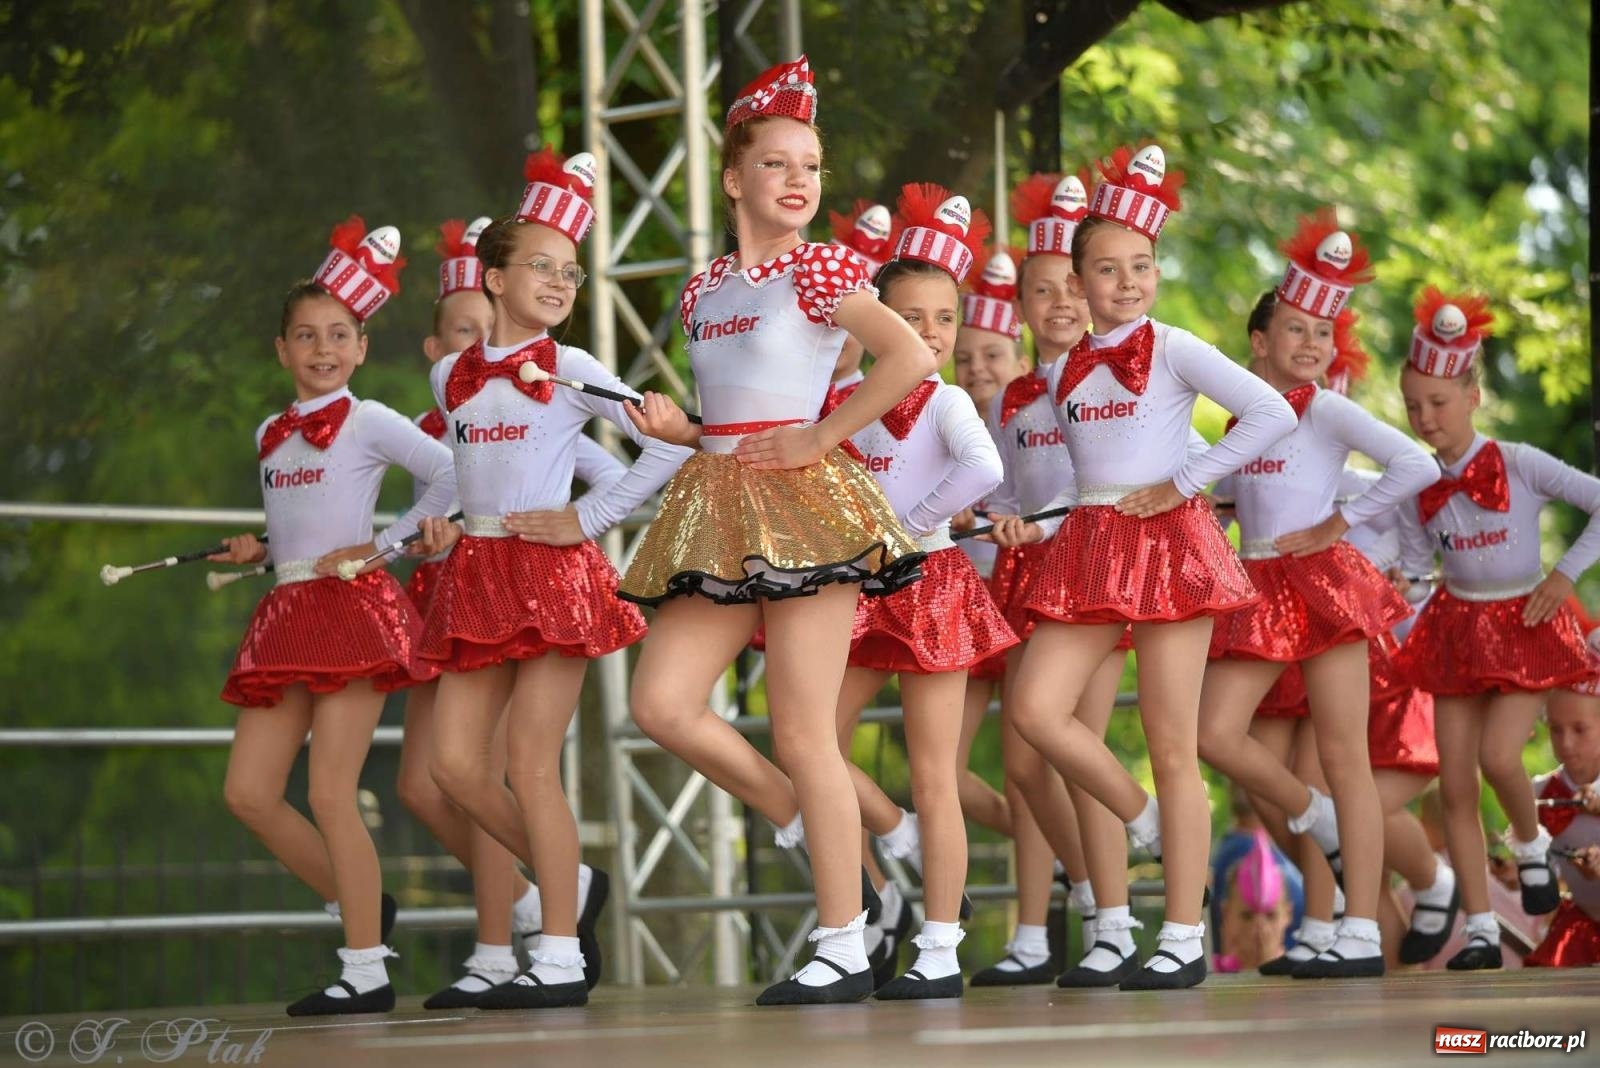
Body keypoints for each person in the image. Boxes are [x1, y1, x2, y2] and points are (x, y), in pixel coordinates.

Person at [618, 56, 936, 1006]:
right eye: (778, 164)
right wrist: (683, 433)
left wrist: (822, 435)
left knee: (803, 727)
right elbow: (729, 410)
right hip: (716, 501)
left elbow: (910, 354)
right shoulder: (702, 288)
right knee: (662, 705)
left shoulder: (822, 264)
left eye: (811, 165)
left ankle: (844, 939)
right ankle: (850, 870)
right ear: (733, 178)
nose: (799, 180)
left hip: (807, 506)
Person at [994, 144, 1297, 989]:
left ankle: (1183, 936)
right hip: (1087, 544)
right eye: (1106, 269)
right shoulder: (1063, 370)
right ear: (1078, 279)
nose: (1126, 282)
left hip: (1170, 545)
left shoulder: (1174, 344)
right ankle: (1145, 822)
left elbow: (1268, 412)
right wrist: (1033, 519)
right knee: (1037, 709)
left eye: (1141, 266)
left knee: (1172, 741)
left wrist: (1184, 484)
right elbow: (1094, 471)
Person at [416, 148, 691, 1009]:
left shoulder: (570, 367)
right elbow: (461, 475)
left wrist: (589, 518)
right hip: (475, 570)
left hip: (553, 572)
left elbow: (666, 443)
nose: (562, 281)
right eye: (542, 266)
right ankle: (567, 882)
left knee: (533, 763)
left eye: (572, 270)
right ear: (492, 279)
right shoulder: (444, 376)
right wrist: (412, 536)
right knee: (456, 768)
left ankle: (561, 953)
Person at [212, 218, 454, 1015]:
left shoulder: (370, 417)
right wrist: (259, 550)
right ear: (280, 349)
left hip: (351, 609)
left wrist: (382, 546)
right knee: (247, 792)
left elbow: (452, 473)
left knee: (328, 793)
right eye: (306, 335)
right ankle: (363, 909)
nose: (322, 348)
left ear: (360, 348)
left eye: (338, 334)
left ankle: (366, 969)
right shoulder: (268, 433)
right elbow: (296, 525)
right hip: (285, 616)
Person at [1198, 209, 1436, 978]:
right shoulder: (1246, 414)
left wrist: (1341, 521)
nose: (1310, 345)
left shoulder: (1327, 408)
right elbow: (1229, 493)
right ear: (1259, 344)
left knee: (1344, 755)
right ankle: (1313, 817)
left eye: (1321, 334)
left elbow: (1415, 465)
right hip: (1257, 583)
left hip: (1324, 585)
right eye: (1294, 330)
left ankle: (1357, 929)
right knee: (1215, 734)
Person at [829, 184, 1011, 1000]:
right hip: (857, 589)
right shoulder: (847, 403)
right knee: (815, 744)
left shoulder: (948, 398)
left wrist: (909, 529)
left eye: (945, 318)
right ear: (876, 324)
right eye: (911, 318)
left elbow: (986, 470)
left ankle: (940, 940)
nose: (932, 333)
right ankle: (887, 856)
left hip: (930, 583)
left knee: (937, 774)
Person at [1395, 286, 1600, 969]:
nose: (1425, 417)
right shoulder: (1417, 481)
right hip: (1456, 629)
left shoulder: (1518, 462)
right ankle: (1480, 927)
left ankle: (1531, 842)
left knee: (1500, 757)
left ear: (1473, 397)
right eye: (1413, 404)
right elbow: (1416, 564)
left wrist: (1564, 575)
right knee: (1454, 783)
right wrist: (1402, 589)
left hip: (1525, 623)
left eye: (1439, 402)